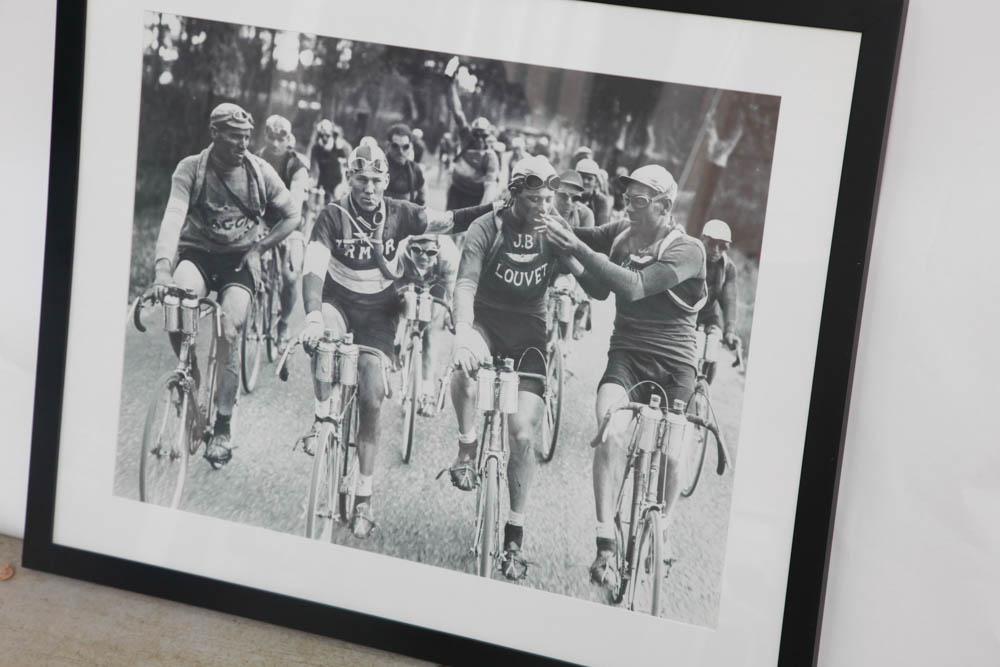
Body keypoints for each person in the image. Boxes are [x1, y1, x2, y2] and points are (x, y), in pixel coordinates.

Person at [299, 143, 495, 538]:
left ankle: (364, 497)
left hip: (379, 315)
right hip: (338, 302)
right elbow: (314, 265)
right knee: (322, 344)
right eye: (361, 179)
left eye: (375, 180)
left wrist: (495, 209)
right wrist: (314, 316)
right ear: (350, 178)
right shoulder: (332, 215)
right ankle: (322, 417)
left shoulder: (401, 213)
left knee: (372, 398)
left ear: (386, 181)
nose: (368, 188)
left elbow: (450, 220)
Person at [541, 164, 707, 589]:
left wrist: (575, 244)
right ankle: (604, 544)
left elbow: (632, 287)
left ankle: (664, 526)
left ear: (665, 206)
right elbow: (598, 288)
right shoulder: (622, 234)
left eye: (637, 200)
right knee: (612, 432)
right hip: (627, 357)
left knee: (672, 451)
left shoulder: (688, 250)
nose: (627, 207)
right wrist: (547, 211)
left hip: (676, 366)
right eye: (626, 198)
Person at [447, 155, 575, 580]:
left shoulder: (554, 227)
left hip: (529, 332)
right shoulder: (489, 226)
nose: (543, 207)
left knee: (522, 433)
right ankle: (467, 445)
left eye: (548, 199)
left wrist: (573, 278)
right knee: (463, 368)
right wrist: (464, 330)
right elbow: (465, 281)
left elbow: (578, 269)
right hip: (485, 321)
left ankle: (515, 535)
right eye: (535, 199)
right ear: (514, 194)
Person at [151, 103, 300, 466]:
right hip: (198, 252)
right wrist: (161, 270)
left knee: (229, 328)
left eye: (248, 137)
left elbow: (292, 214)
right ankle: (191, 374)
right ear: (214, 133)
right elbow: (173, 218)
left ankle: (222, 426)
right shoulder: (190, 169)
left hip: (239, 259)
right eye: (235, 136)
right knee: (178, 303)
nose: (243, 144)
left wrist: (260, 249)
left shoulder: (260, 171)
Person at [393, 234, 460, 416]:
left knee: (430, 332)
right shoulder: (399, 252)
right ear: (409, 247)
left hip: (436, 284)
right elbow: (389, 284)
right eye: (417, 251)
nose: (423, 257)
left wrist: (450, 314)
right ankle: (403, 377)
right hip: (405, 280)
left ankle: (427, 393)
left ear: (438, 249)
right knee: (396, 314)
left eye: (430, 252)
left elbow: (453, 291)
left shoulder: (449, 256)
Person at [258, 114, 310, 348]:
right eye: (271, 137)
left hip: (291, 224)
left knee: (290, 276)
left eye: (282, 138)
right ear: (265, 136)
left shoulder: (297, 166)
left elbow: (295, 205)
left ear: (289, 139)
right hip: (262, 221)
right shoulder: (255, 160)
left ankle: (284, 321)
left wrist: (284, 232)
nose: (276, 143)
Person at [446, 77, 501, 208]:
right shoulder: (467, 138)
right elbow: (457, 112)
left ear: (489, 135)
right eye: (476, 134)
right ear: (472, 133)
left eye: (484, 135)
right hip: (456, 190)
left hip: (475, 196)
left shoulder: (491, 156)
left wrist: (482, 208)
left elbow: (490, 186)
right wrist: (451, 85)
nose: (480, 139)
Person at [552, 170, 594, 339]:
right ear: (554, 193)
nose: (569, 202)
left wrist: (579, 289)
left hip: (569, 269)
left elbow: (585, 256)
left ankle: (562, 344)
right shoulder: (543, 208)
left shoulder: (585, 215)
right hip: (543, 266)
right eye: (563, 196)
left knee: (565, 301)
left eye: (575, 198)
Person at [697, 219, 740, 383]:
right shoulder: (689, 254)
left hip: (709, 315)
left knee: (713, 351)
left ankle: (705, 390)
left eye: (722, 246)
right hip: (683, 312)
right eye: (711, 244)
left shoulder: (728, 268)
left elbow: (730, 298)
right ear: (703, 239)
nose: (715, 250)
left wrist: (730, 330)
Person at [384, 123, 427, 205]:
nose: (401, 152)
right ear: (388, 145)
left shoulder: (415, 170)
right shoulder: (380, 167)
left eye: (405, 147)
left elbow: (421, 198)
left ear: (411, 146)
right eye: (395, 146)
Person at [310, 120, 352, 203]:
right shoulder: (316, 148)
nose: (324, 138)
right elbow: (313, 167)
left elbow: (349, 166)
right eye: (322, 135)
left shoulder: (343, 147)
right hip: (323, 179)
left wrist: (346, 183)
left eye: (327, 136)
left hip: (338, 179)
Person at [575, 158, 613, 226]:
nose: (585, 181)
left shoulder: (600, 201)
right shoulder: (568, 195)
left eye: (589, 179)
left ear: (596, 182)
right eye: (582, 177)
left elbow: (602, 229)